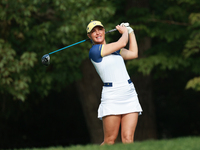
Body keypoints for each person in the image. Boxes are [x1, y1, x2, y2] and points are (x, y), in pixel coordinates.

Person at [86, 20, 142, 145]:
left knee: (128, 138)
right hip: (112, 96)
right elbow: (123, 42)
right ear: (89, 36)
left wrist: (131, 32)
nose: (97, 33)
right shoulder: (94, 51)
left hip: (129, 93)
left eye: (99, 29)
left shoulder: (115, 49)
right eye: (93, 32)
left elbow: (133, 53)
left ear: (104, 31)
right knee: (110, 140)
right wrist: (124, 32)